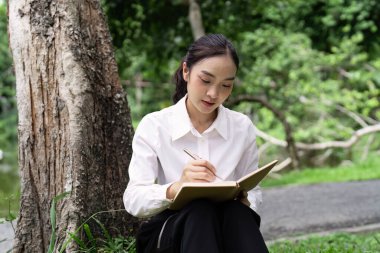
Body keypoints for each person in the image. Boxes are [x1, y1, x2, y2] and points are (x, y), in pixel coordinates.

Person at [123, 34, 269, 253]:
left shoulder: (241, 127)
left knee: (236, 212)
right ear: (186, 72)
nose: (213, 94)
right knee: (200, 210)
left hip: (226, 226)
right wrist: (175, 188)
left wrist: (245, 198)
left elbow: (254, 191)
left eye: (225, 85)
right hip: (171, 233)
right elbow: (134, 199)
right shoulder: (155, 125)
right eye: (206, 80)